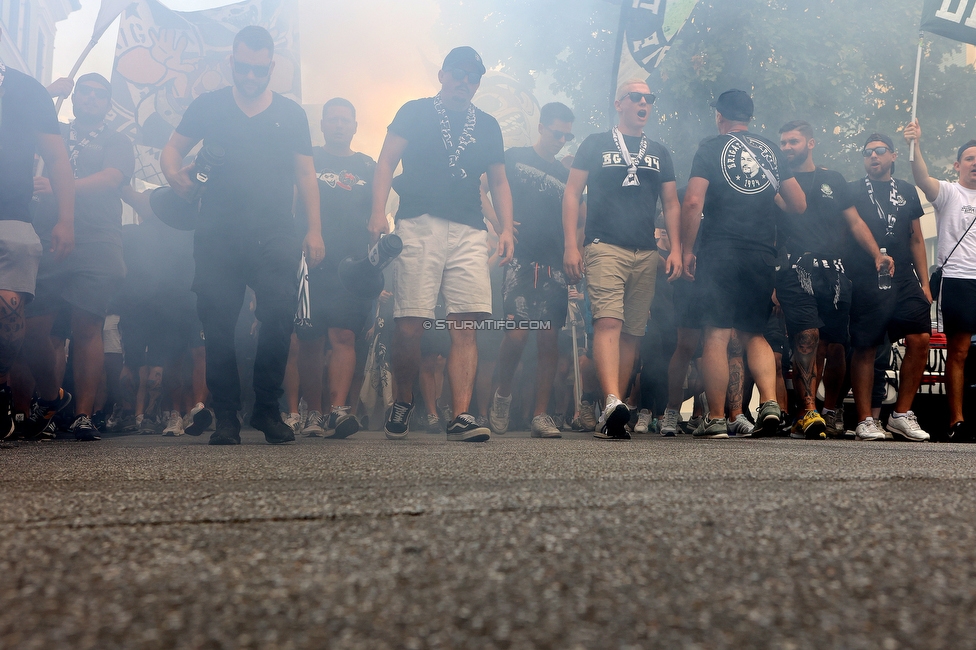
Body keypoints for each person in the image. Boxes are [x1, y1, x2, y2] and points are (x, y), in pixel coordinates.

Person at [161, 25, 325, 445]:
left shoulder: (291, 113)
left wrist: (315, 228)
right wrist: (174, 176)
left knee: (278, 315)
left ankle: (267, 410)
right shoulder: (209, 105)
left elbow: (306, 173)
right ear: (231, 63)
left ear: (271, 67)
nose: (251, 77)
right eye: (244, 68)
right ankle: (228, 417)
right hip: (217, 232)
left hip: (274, 232)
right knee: (217, 325)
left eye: (259, 70)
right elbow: (171, 150)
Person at [368, 46, 514, 442]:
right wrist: (378, 212)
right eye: (459, 73)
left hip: (469, 228)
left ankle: (462, 415)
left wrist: (505, 229)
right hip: (418, 223)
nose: (465, 82)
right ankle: (402, 400)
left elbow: (498, 181)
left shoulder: (487, 124)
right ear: (443, 75)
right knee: (410, 325)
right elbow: (385, 162)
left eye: (473, 76)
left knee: (465, 324)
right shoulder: (414, 110)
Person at [680, 89, 806, 439]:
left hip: (721, 251)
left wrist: (687, 249)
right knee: (754, 332)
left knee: (717, 335)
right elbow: (798, 204)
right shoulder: (769, 150)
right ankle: (769, 403)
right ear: (749, 116)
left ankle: (717, 419)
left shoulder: (710, 147)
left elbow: (692, 202)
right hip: (762, 254)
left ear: (720, 116)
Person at [563, 79, 681, 440]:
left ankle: (612, 412)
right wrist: (572, 244)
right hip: (604, 246)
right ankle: (613, 400)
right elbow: (571, 193)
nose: (644, 102)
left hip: (646, 251)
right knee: (608, 323)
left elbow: (672, 202)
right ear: (619, 104)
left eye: (649, 98)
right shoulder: (596, 143)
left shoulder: (659, 150)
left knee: (633, 332)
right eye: (636, 97)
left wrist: (675, 247)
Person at [23, 73, 133, 441]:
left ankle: (83, 414)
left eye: (100, 94)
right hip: (46, 233)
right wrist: (45, 93)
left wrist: (60, 186)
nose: (91, 98)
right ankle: (50, 403)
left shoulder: (117, 139)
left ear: (108, 103)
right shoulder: (52, 130)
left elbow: (112, 177)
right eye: (85, 92)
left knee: (89, 326)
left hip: (98, 238)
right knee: (37, 328)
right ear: (74, 98)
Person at [775, 120, 888, 439]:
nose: (786, 148)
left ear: (810, 143)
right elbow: (772, 230)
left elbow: (854, 222)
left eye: (792, 141)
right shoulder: (777, 182)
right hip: (796, 269)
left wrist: (877, 254)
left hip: (835, 273)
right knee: (807, 337)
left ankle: (830, 411)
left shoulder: (833, 179)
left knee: (837, 346)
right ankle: (807, 410)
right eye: (782, 142)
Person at [487, 102, 575, 439]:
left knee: (549, 340)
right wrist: (500, 225)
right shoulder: (514, 155)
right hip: (519, 259)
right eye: (557, 133)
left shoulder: (567, 176)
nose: (562, 140)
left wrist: (574, 248)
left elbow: (579, 218)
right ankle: (503, 395)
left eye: (568, 136)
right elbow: (483, 187)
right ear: (541, 127)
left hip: (552, 263)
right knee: (517, 334)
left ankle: (541, 413)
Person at [0, 58, 75, 440]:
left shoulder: (27, 89)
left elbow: (59, 158)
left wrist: (67, 218)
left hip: (13, 216)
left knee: (19, 321)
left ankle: (32, 396)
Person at [296, 98, 374, 439]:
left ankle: (338, 411)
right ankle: (313, 411)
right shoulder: (307, 158)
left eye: (346, 120)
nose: (340, 125)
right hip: (311, 257)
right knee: (311, 339)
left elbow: (377, 212)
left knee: (344, 335)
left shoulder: (369, 166)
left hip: (352, 264)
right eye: (334, 120)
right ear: (323, 125)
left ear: (355, 126)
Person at [846, 133, 931, 442]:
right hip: (866, 273)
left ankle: (901, 414)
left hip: (905, 276)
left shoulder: (907, 190)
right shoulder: (853, 189)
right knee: (866, 345)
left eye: (880, 151)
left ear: (894, 155)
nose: (873, 156)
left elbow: (917, 238)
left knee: (920, 336)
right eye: (868, 152)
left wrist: (925, 283)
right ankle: (865, 419)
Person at [904, 121, 976, 442]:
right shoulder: (948, 192)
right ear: (958, 165)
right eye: (970, 158)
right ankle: (956, 421)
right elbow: (921, 178)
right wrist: (915, 144)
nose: (975, 163)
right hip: (958, 280)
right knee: (958, 351)